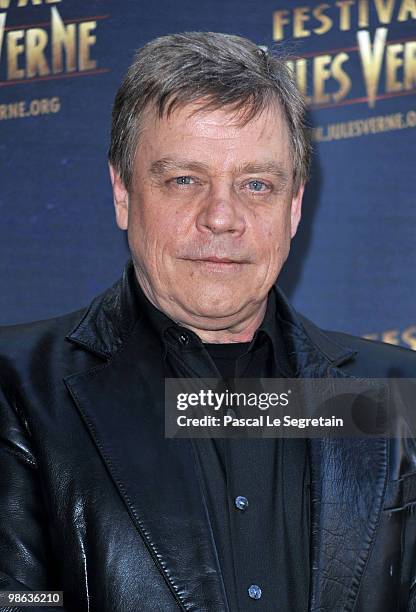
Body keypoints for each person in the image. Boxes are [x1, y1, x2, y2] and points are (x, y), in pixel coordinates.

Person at [0, 31, 415, 612]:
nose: (222, 217)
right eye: (184, 180)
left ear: (294, 206)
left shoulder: (397, 394)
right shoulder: (18, 389)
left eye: (256, 185)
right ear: (122, 192)